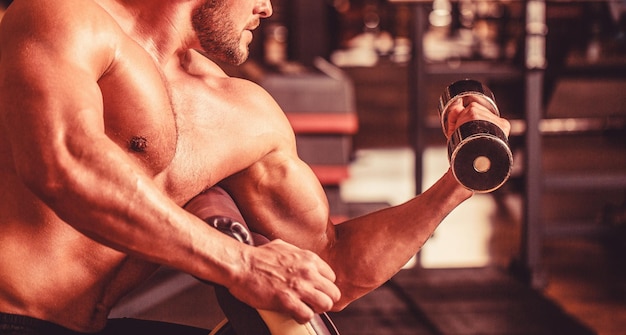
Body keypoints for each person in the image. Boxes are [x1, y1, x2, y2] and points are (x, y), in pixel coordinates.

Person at [0, 0, 511, 333]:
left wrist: (459, 180)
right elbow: (62, 163)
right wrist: (241, 264)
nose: (267, 8)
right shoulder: (62, 17)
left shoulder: (246, 114)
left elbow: (332, 269)